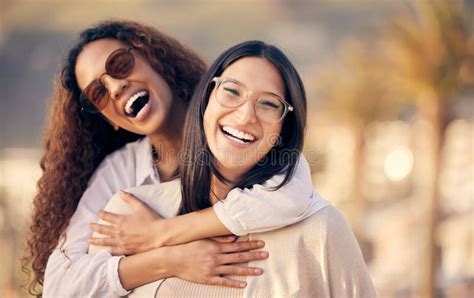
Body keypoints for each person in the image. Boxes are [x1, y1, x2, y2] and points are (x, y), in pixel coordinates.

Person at [23, 21, 324, 297]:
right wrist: (169, 259)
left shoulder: (230, 128)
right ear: (106, 118)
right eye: (97, 94)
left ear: (153, 58)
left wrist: (160, 233)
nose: (115, 88)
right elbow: (61, 285)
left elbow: (292, 187)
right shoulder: (119, 174)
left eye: (120, 64)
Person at [90, 40, 376, 297]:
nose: (245, 115)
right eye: (231, 91)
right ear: (205, 100)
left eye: (268, 104)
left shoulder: (321, 230)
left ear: (283, 131)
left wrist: (163, 234)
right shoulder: (127, 217)